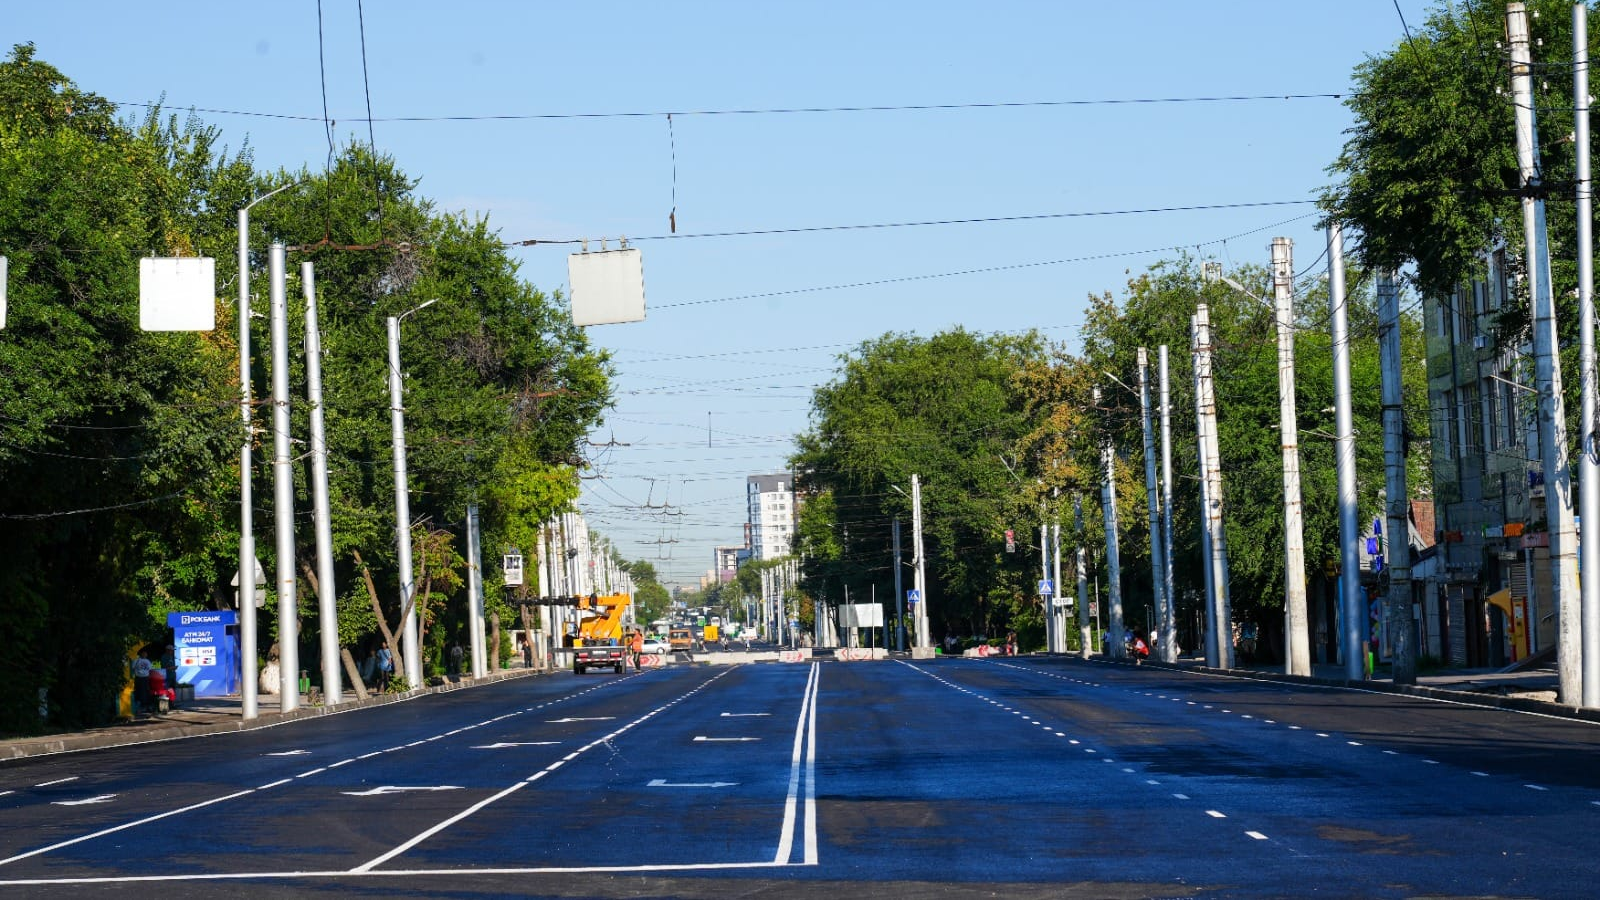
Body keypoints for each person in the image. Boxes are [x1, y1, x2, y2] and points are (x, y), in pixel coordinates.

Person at [131, 649, 153, 715]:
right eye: (144, 653)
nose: (145, 654)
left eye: (146, 653)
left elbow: (150, 669)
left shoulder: (148, 661)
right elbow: (132, 668)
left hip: (145, 678)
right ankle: (139, 707)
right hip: (139, 678)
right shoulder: (136, 660)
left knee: (146, 692)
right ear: (141, 654)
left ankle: (146, 706)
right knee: (139, 692)